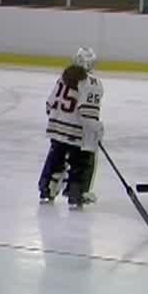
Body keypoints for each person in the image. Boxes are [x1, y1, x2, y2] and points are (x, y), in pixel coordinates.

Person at [40, 48, 103, 208]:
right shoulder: (92, 82)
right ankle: (77, 192)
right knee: (83, 160)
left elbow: (49, 105)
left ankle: (47, 188)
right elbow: (87, 113)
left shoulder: (63, 78)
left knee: (56, 156)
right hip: (76, 131)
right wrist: (97, 130)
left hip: (56, 128)